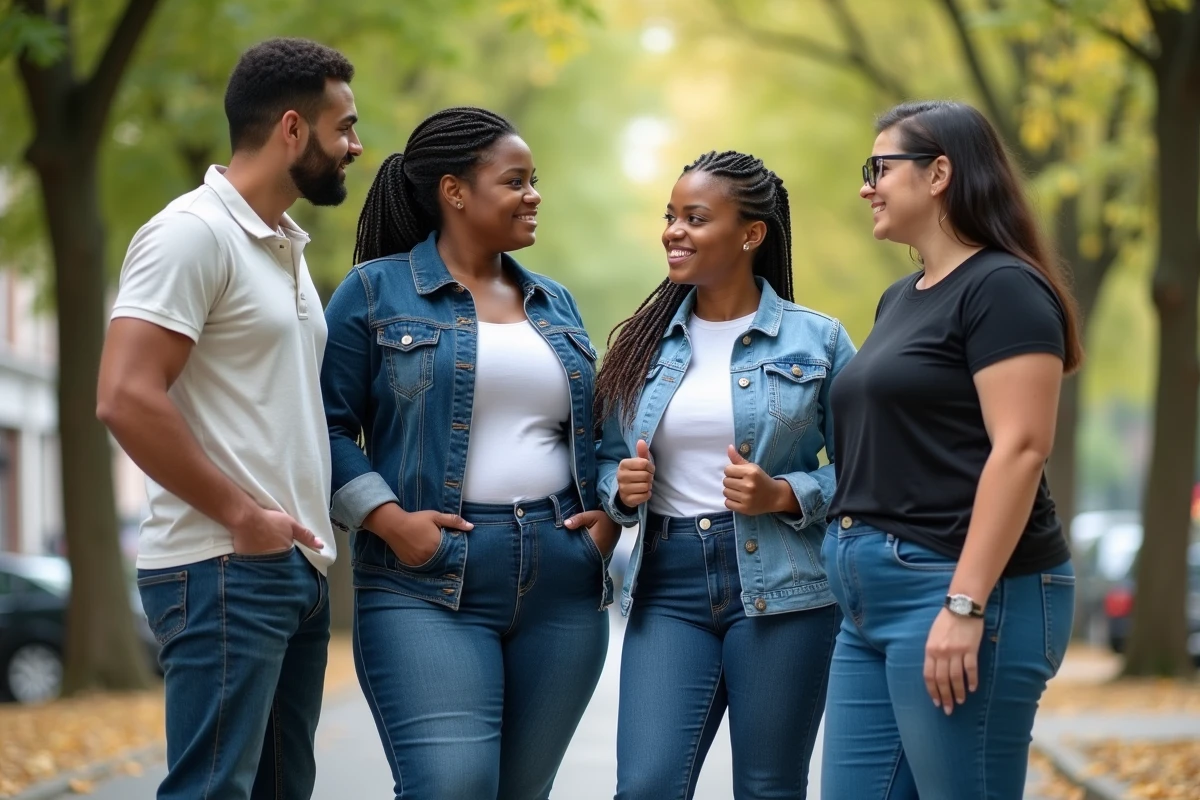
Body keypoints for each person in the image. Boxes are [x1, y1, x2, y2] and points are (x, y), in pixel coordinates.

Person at [320, 106, 616, 800]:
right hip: (426, 579)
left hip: (562, 582)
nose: (533, 194)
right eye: (515, 181)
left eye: (534, 180)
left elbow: (594, 432)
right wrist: (389, 520)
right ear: (455, 191)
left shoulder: (555, 302)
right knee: (452, 784)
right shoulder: (373, 292)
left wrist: (605, 523)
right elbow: (323, 427)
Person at [96, 38, 362, 800]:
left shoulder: (282, 246)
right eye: (342, 126)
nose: (354, 145)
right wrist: (244, 516)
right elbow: (124, 395)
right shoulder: (192, 233)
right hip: (222, 565)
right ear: (290, 128)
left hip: (289, 568)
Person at [821, 100, 1084, 800]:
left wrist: (964, 605)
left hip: (963, 591)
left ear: (939, 173)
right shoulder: (899, 299)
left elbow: (1022, 448)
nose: (865, 186)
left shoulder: (1004, 288)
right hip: (868, 602)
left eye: (880, 167)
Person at [594, 150, 856, 800]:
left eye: (695, 217)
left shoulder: (817, 342)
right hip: (668, 583)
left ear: (750, 233)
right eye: (670, 216)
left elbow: (869, 469)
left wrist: (787, 492)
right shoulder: (643, 346)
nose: (674, 231)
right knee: (646, 784)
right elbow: (603, 456)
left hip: (784, 586)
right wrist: (619, 490)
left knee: (768, 787)